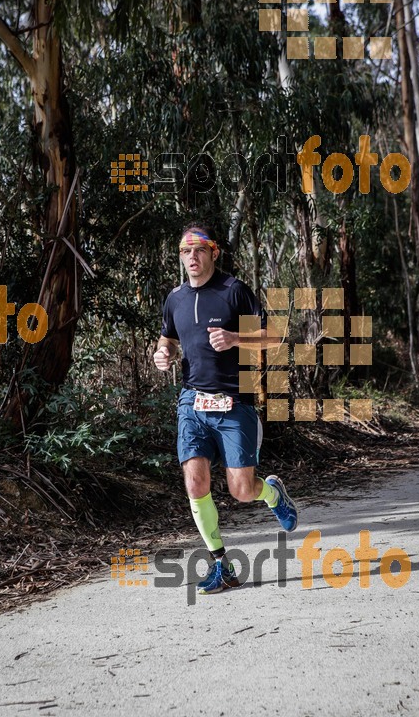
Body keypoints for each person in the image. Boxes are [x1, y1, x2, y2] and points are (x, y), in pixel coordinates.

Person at [153, 224, 298, 595]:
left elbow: (274, 337)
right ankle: (223, 565)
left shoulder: (233, 292)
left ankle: (272, 493)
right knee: (194, 482)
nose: (192, 258)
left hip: (236, 402)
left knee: (241, 491)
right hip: (192, 401)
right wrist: (163, 352)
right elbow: (168, 336)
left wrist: (236, 338)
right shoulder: (175, 299)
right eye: (186, 252)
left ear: (213, 253)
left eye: (199, 251)